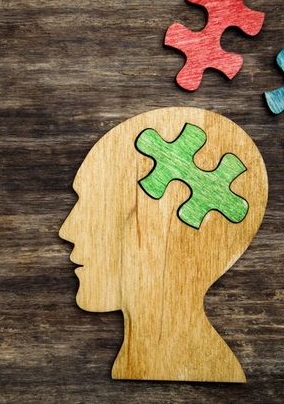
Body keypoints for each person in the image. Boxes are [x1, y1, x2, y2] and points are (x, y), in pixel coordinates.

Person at [59, 107, 268, 382]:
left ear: (164, 234)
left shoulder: (194, 362)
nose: (66, 230)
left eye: (96, 207)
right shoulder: (137, 360)